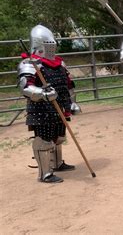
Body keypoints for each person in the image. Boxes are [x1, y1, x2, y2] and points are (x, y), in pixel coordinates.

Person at [18, 24, 81, 183]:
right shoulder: (30, 64)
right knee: (44, 140)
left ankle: (57, 163)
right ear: (39, 45)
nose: (51, 47)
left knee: (58, 138)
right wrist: (43, 93)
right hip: (41, 109)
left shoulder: (60, 64)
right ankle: (44, 173)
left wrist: (72, 103)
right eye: (48, 43)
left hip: (60, 106)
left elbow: (68, 85)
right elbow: (25, 87)